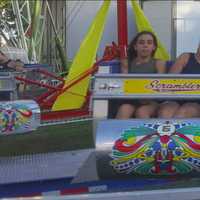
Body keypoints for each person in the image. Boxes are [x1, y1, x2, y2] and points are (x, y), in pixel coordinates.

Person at [116, 31, 178, 119]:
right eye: (141, 43)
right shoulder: (127, 63)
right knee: (124, 109)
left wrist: (147, 95)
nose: (145, 45)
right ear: (135, 47)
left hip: (151, 101)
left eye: (149, 43)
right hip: (131, 99)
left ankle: (148, 133)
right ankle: (117, 132)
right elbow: (124, 83)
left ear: (154, 47)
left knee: (142, 112)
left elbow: (160, 85)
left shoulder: (159, 63)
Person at [158, 42, 200, 118]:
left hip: (196, 102)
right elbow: (170, 80)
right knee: (165, 112)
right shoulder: (185, 57)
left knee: (183, 112)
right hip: (175, 98)